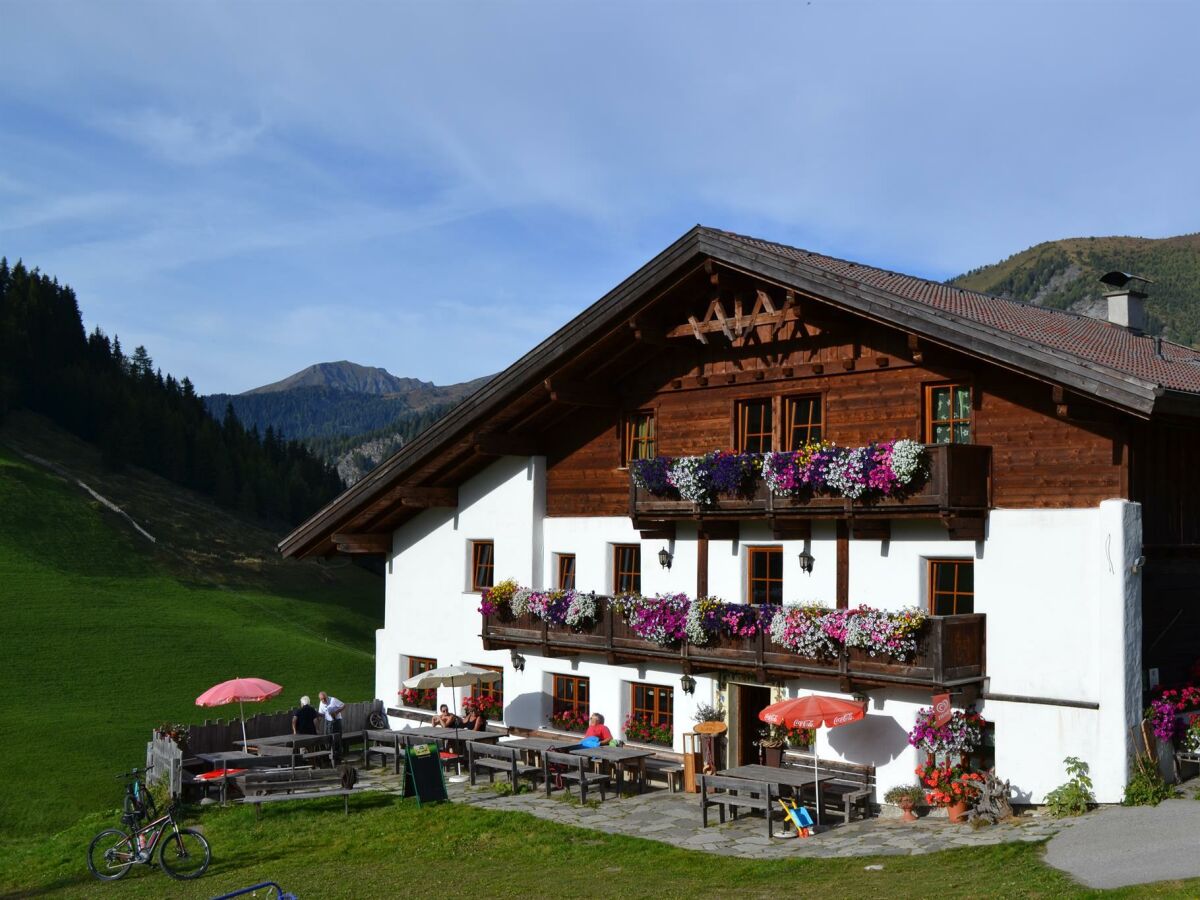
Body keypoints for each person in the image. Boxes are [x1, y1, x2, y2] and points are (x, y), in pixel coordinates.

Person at [318, 691, 345, 762]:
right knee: (329, 739)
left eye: (324, 698)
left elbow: (343, 705)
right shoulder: (321, 703)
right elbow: (321, 714)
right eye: (322, 699)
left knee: (338, 739)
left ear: (327, 696)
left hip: (336, 721)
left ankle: (339, 757)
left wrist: (336, 712)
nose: (323, 700)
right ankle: (330, 756)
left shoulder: (333, 700)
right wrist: (318, 724)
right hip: (328, 722)